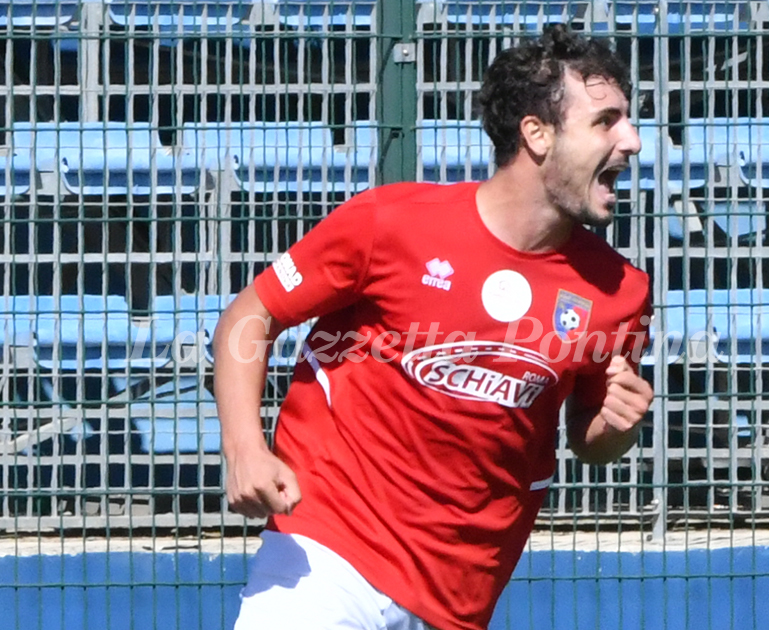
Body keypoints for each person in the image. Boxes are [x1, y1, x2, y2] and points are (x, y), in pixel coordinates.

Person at [215, 24, 655, 630]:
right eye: (606, 121)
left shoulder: (620, 291)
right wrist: (245, 448)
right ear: (537, 134)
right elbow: (249, 316)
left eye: (628, 120)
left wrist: (617, 427)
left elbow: (588, 436)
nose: (632, 140)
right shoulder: (390, 224)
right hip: (325, 555)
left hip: (457, 596)